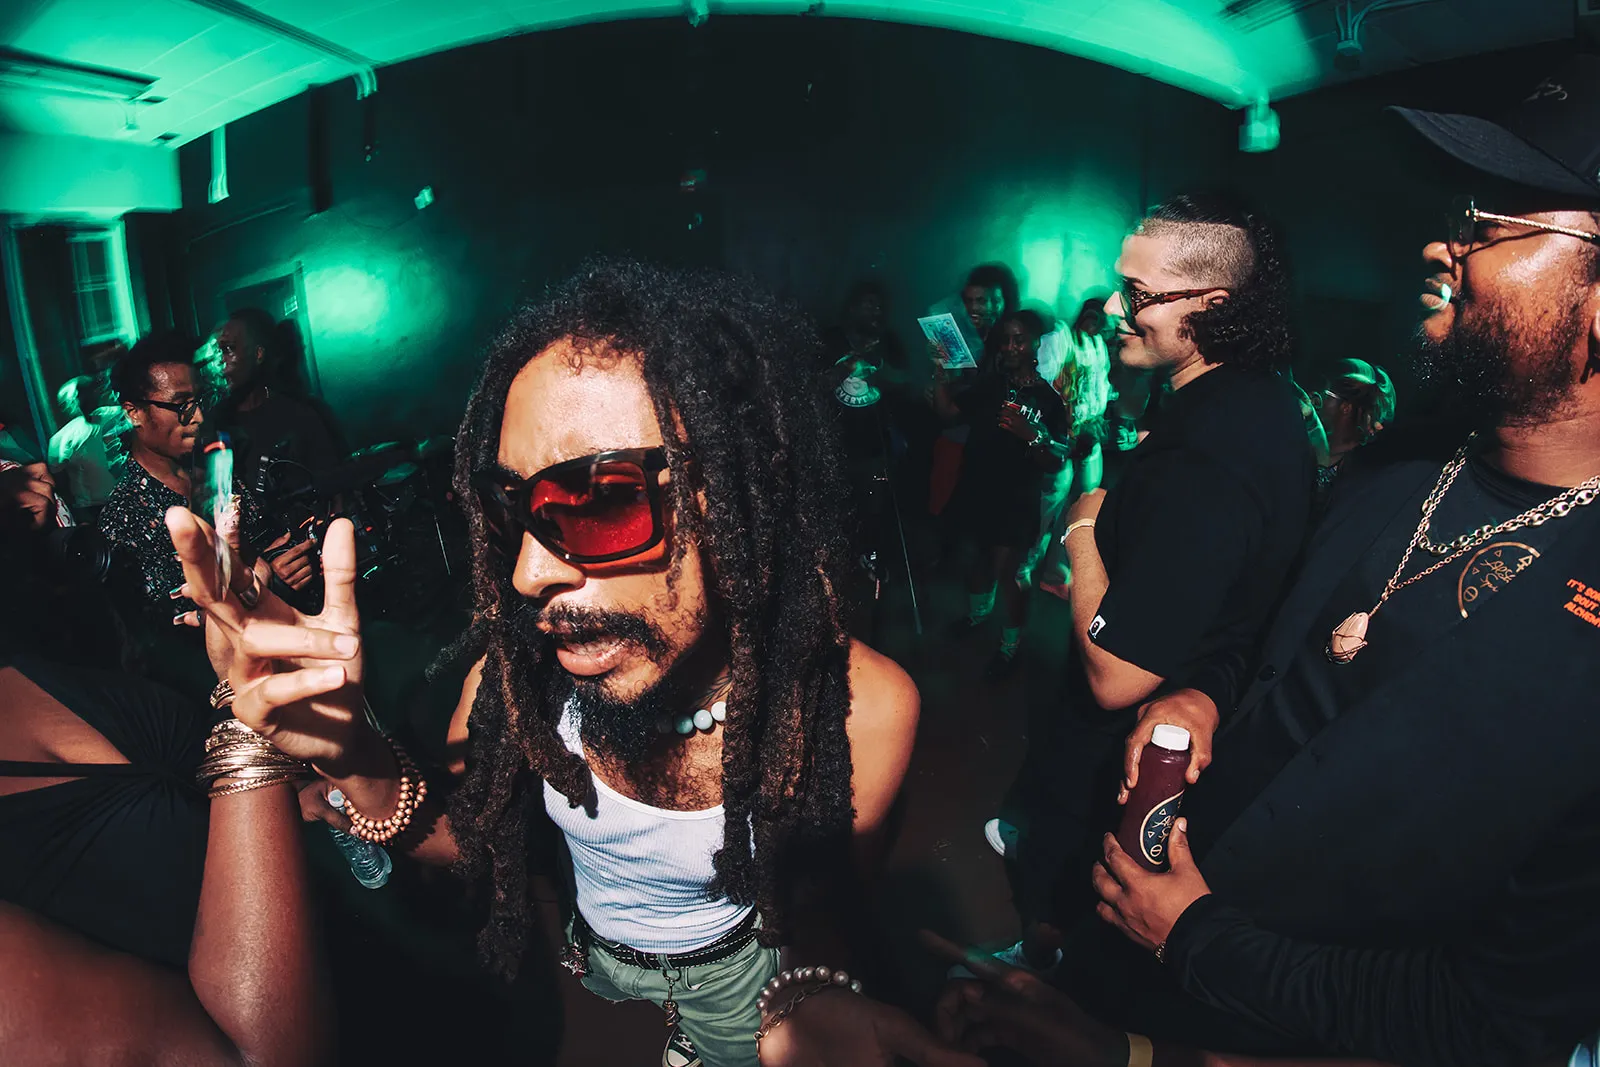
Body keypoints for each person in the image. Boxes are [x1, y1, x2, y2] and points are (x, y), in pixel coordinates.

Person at [171, 260, 977, 1067]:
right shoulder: (516, 681)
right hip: (584, 982)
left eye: (601, 499)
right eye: (513, 506)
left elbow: (817, 902)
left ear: (740, 493)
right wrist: (352, 752)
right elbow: (472, 844)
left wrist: (810, 999)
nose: (528, 572)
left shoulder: (856, 705)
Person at [959, 54, 1600, 1067]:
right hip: (1132, 954)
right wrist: (1207, 696)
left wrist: (1185, 959)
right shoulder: (1395, 466)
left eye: (1492, 222)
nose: (1444, 241)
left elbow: (1497, 1015)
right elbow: (1270, 633)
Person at [992, 193, 1312, 974]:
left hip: (1121, 754)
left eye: (1137, 295)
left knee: (1062, 941)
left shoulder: (1211, 452)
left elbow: (1116, 674)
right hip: (1167, 723)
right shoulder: (1253, 400)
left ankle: (1035, 991)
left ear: (1212, 306)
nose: (1111, 306)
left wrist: (1081, 526)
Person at [0, 485, 332, 1065]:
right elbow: (262, 1054)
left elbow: (229, 772)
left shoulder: (30, 671)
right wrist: (249, 706)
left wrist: (318, 783)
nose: (33, 484)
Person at [937, 309, 1071, 678]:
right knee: (979, 557)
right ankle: (977, 616)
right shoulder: (990, 385)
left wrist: (1034, 436)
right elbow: (948, 413)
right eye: (1005, 340)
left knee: (1011, 572)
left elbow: (1054, 462)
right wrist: (940, 377)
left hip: (1017, 498)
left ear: (1034, 346)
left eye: (1019, 340)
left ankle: (1010, 647)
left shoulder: (1048, 400)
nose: (1010, 347)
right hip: (979, 490)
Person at [1028, 298, 1114, 597]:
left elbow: (1100, 385)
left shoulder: (1098, 346)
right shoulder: (1063, 338)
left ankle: (1056, 572)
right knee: (1049, 506)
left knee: (1083, 504)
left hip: (1088, 436)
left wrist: (1098, 419)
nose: (1108, 328)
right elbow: (1047, 380)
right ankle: (1024, 567)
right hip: (1062, 437)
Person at [212, 307, 342, 494]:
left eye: (227, 349)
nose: (219, 362)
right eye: (217, 352)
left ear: (258, 354)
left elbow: (334, 490)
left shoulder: (299, 415)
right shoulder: (213, 424)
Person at [926, 264, 1019, 519]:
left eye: (985, 301)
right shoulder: (958, 332)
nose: (976, 308)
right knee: (943, 511)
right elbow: (950, 394)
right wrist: (940, 377)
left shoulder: (1010, 342)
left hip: (992, 448)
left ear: (1001, 302)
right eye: (970, 301)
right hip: (956, 438)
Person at [1310, 356, 1396, 507]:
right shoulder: (1306, 446)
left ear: (1346, 408)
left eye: (1325, 395)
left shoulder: (1360, 471)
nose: (1313, 399)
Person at [47, 372, 123, 518]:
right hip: (92, 509)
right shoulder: (60, 440)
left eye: (79, 395)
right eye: (67, 401)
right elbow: (59, 481)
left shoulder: (117, 415)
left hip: (127, 499)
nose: (74, 402)